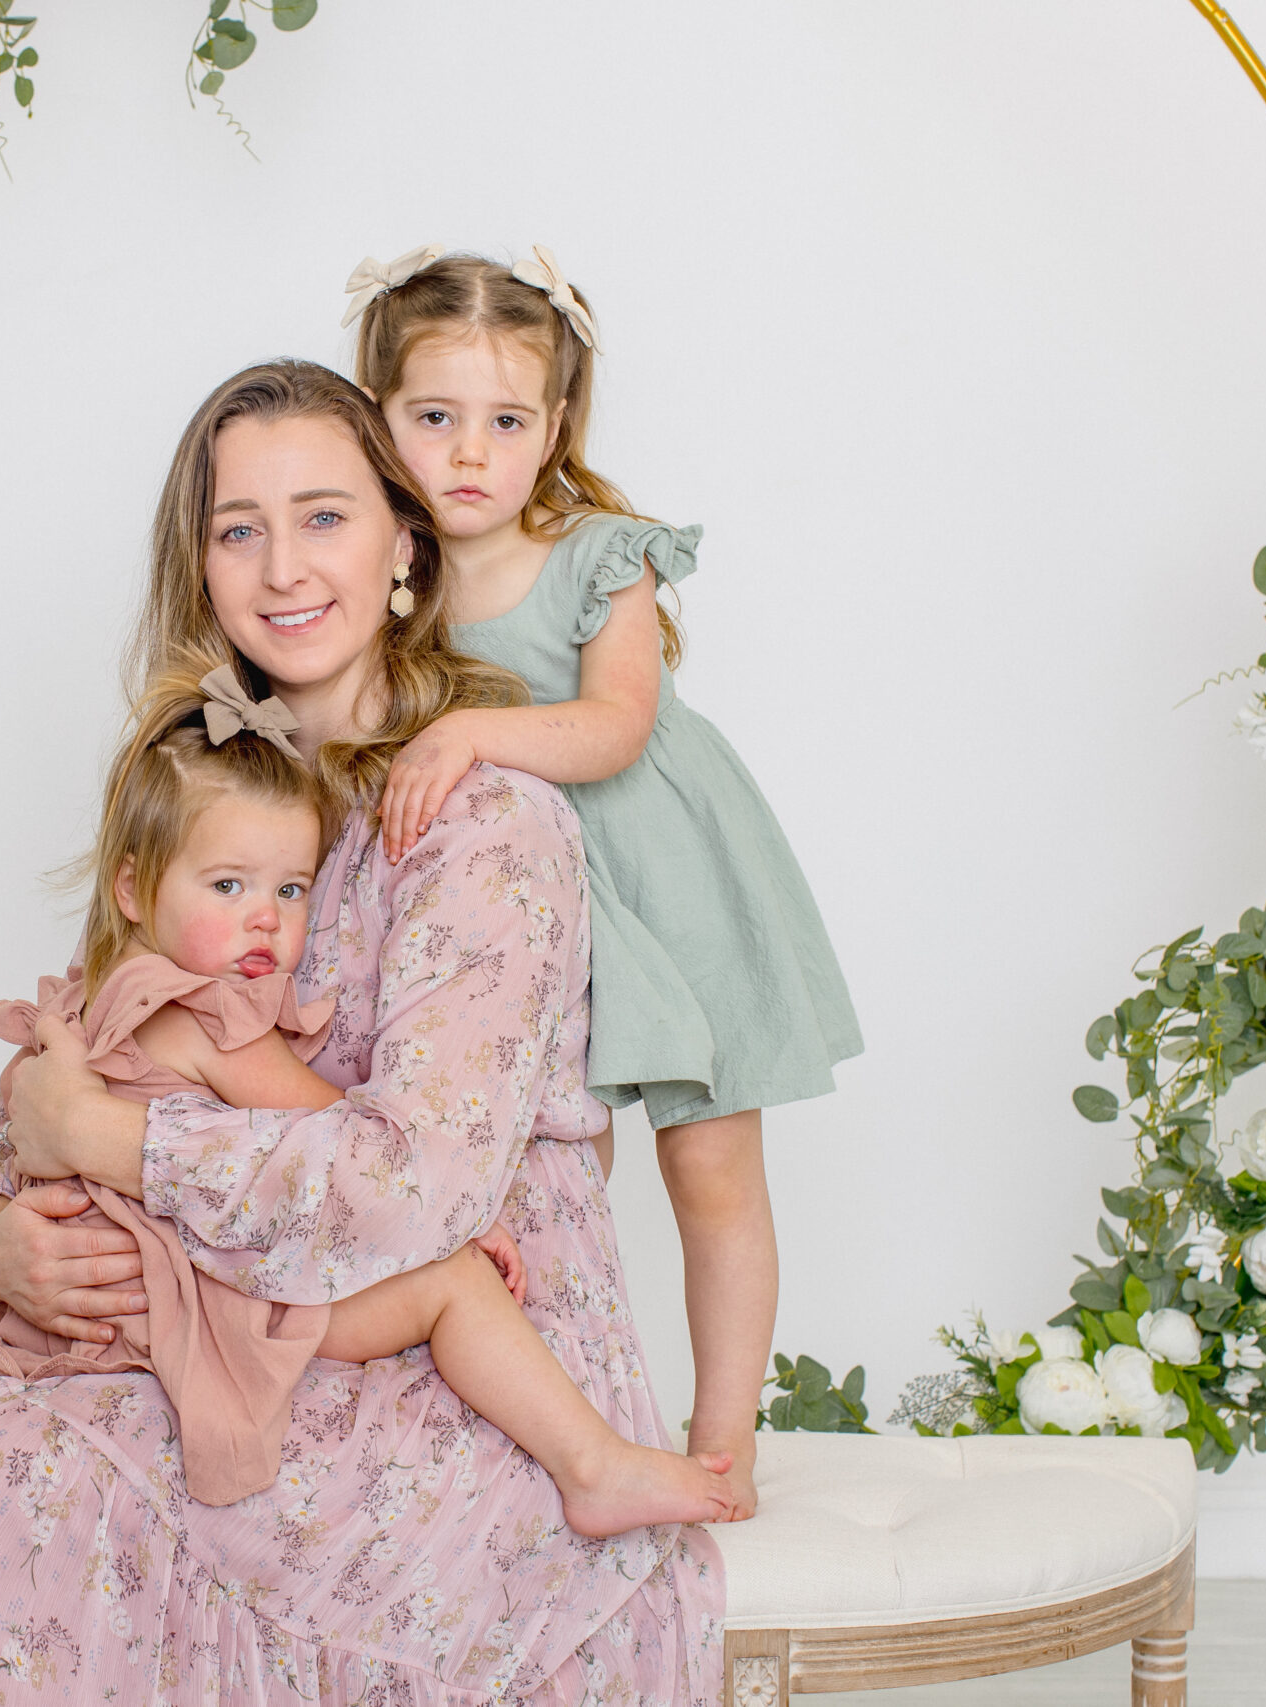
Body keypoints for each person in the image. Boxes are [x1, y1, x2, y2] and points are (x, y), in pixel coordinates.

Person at [0, 359, 728, 1702]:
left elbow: (413, 1187)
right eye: (237, 527)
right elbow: (82, 1070)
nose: (280, 567)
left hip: (450, 1344)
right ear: (197, 564)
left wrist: (119, 1142)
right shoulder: (198, 798)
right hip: (206, 1303)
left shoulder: (487, 823)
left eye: (323, 515)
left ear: (403, 544)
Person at [0, 663, 736, 1535]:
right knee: (454, 1283)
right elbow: (325, 1118)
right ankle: (595, 1465)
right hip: (206, 1290)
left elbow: (7, 1147)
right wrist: (462, 1216)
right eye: (228, 886)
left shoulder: (90, 998)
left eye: (290, 888)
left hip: (128, 1296)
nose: (266, 919)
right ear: (133, 887)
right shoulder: (207, 1012)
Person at [344, 245, 864, 1518]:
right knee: (555, 1185)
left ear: (556, 425)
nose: (469, 452)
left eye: (506, 420)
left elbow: (613, 727)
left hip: (665, 883)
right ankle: (578, 1427)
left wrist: (466, 730)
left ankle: (721, 1446)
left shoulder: (599, 555)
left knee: (713, 1171)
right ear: (377, 417)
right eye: (433, 417)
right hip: (529, 922)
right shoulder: (384, 576)